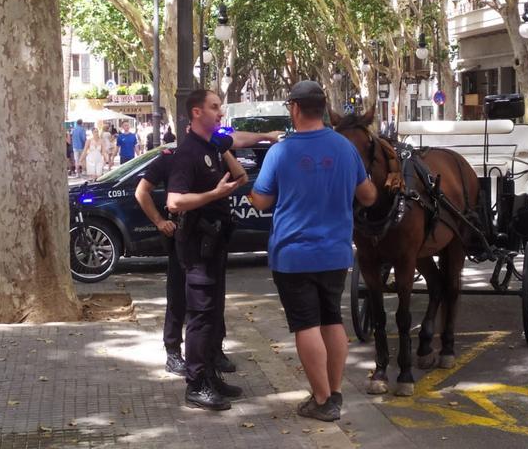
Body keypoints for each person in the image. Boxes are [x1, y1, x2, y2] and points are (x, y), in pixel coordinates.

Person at [250, 81, 377, 422]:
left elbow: (260, 200)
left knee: (306, 325)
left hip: (293, 254)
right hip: (336, 251)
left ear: (293, 108)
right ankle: (333, 392)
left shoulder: (281, 151)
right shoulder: (345, 148)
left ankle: (322, 400)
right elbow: (368, 196)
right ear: (322, 107)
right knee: (332, 319)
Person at [136, 127, 283, 377]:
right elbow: (142, 191)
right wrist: (160, 222)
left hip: (213, 238)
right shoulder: (173, 156)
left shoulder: (215, 153)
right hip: (184, 235)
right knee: (178, 296)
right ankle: (173, 351)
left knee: (213, 297)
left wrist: (226, 147)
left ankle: (214, 349)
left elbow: (240, 172)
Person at [166, 89, 248, 411]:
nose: (221, 113)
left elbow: (240, 176)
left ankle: (211, 377)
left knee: (213, 314)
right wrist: (213, 195)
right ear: (196, 113)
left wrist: (221, 145)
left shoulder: (209, 148)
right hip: (197, 248)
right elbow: (174, 201)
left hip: (215, 246)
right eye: (214, 108)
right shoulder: (187, 153)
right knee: (199, 317)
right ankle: (196, 384)